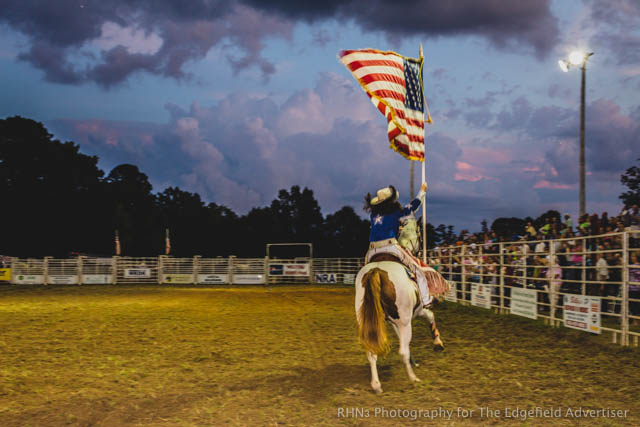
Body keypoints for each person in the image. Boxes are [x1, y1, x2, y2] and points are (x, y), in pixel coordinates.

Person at [364, 182, 448, 308]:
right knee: (417, 270)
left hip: (372, 250)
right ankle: (426, 300)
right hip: (390, 246)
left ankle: (366, 299)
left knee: (365, 272)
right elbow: (413, 206)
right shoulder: (396, 212)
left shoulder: (373, 215)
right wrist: (422, 191)